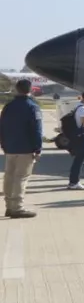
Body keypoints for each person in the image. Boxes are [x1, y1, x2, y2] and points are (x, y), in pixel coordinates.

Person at [1, 78, 43, 218]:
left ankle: (8, 205)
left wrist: (4, 144)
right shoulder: (32, 106)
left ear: (17, 89)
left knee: (9, 177)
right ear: (30, 90)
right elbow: (37, 130)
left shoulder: (8, 106)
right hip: (26, 148)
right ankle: (17, 207)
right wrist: (37, 148)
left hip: (10, 147)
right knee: (21, 178)